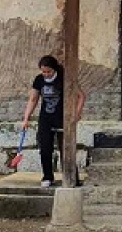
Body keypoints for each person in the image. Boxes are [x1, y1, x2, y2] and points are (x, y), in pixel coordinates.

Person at [21, 55, 85, 188]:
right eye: (43, 72)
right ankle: (47, 176)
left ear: (54, 69)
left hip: (63, 118)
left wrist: (76, 114)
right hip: (46, 118)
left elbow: (81, 96)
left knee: (66, 148)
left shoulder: (65, 78)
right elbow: (33, 99)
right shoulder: (39, 80)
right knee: (45, 148)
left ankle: (72, 177)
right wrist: (26, 118)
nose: (46, 74)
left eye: (48, 72)